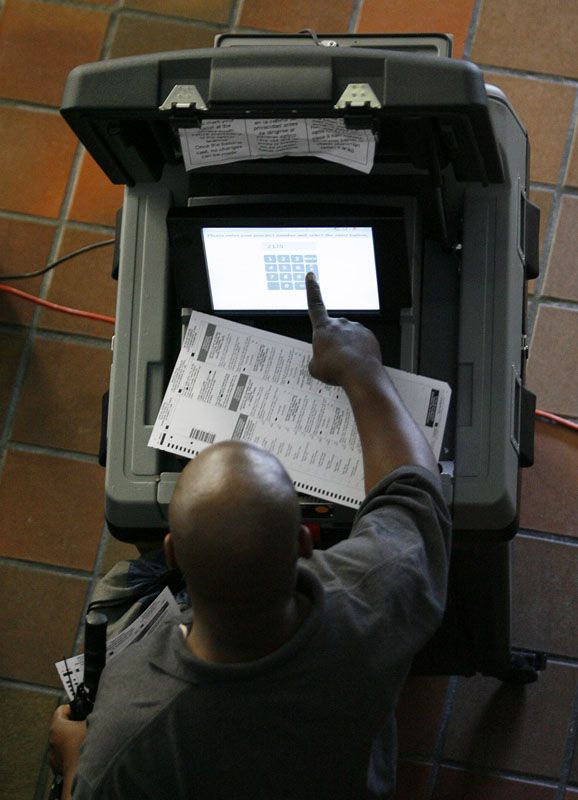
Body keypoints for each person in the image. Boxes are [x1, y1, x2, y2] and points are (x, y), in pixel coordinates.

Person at [49, 273, 451, 799]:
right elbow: (414, 494)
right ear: (306, 543)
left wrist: (76, 754)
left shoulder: (131, 720)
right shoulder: (371, 601)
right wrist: (361, 368)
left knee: (116, 591)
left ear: (173, 554)